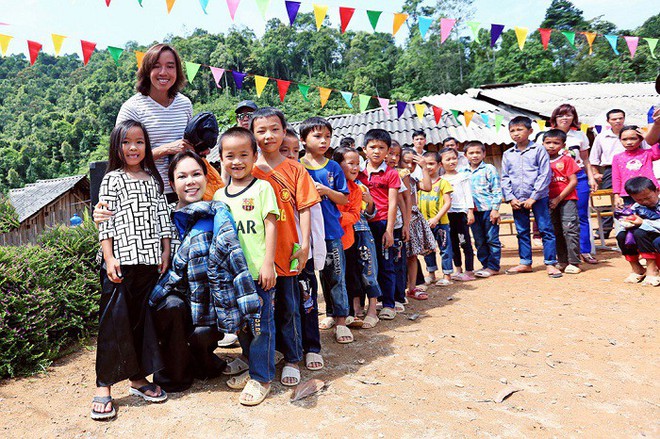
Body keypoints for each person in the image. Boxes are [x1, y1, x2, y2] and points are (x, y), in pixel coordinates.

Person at [150, 151, 261, 392]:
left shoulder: (219, 215)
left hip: (208, 301)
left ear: (205, 177)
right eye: (182, 176)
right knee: (172, 307)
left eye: (196, 174)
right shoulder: (161, 217)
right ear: (172, 183)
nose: (190, 181)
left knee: (203, 331)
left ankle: (202, 358)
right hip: (171, 297)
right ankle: (174, 370)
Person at [92, 120, 171, 420]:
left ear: (146, 146)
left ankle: (138, 379)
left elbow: (163, 218)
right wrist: (109, 258)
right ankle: (104, 386)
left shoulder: (153, 180)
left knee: (140, 323)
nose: (134, 148)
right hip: (120, 264)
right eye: (127, 142)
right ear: (117, 146)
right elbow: (106, 223)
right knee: (113, 323)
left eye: (139, 142)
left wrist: (165, 250)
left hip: (149, 263)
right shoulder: (111, 180)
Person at [250, 107, 321, 387]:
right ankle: (263, 356)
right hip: (257, 253)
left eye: (275, 129)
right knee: (261, 310)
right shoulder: (249, 168)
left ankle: (292, 357)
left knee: (290, 307)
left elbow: (305, 209)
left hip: (289, 251)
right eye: (261, 130)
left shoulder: (295, 169)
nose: (269, 135)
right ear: (253, 134)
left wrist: (303, 246)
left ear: (284, 131)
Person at [213, 127, 278, 406]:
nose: (237, 161)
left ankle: (262, 377)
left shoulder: (263, 188)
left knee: (261, 325)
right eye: (230, 156)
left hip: (257, 273)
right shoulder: (218, 196)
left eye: (243, 155)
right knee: (242, 326)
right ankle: (253, 367)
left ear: (255, 156)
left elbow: (271, 225)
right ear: (221, 158)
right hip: (232, 277)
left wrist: (268, 264)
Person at [116, 43, 193, 203]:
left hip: (183, 194)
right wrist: (165, 149)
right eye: (156, 66)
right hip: (143, 195)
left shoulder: (184, 104)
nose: (163, 72)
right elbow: (121, 156)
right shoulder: (132, 108)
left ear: (177, 71)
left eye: (170, 66)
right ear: (147, 70)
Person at [299, 117, 353, 344]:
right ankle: (318, 318)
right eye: (317, 136)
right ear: (303, 140)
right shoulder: (297, 166)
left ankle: (341, 319)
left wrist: (325, 190)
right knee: (309, 281)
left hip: (331, 231)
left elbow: (343, 199)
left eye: (327, 137)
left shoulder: (334, 167)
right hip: (303, 234)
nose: (324, 141)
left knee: (335, 277)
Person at [279, 128, 326, 372]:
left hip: (302, 252)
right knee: (286, 305)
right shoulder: (265, 177)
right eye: (283, 150)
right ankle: (287, 348)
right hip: (278, 254)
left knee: (307, 302)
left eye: (295, 151)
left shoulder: (302, 176)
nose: (290, 155)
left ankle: (312, 347)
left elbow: (316, 220)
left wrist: (313, 254)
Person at [502, 116, 562, 278]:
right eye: (512, 131)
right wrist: (510, 198)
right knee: (522, 231)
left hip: (538, 198)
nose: (516, 134)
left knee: (545, 230)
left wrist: (534, 197)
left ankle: (550, 263)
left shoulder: (539, 150)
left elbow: (545, 174)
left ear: (530, 131)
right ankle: (525, 262)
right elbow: (505, 177)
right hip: (517, 199)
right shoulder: (508, 154)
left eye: (519, 129)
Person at [333, 147, 382, 329]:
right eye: (351, 163)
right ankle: (350, 312)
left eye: (357, 164)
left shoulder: (358, 187)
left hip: (361, 233)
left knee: (368, 271)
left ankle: (372, 311)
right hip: (342, 236)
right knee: (347, 274)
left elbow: (368, 214)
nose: (356, 168)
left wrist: (369, 201)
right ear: (338, 166)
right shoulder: (332, 188)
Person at [358, 129, 401, 320]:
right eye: (372, 147)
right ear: (364, 150)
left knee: (386, 264)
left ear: (388, 151)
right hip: (362, 225)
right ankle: (369, 304)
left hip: (382, 222)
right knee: (366, 264)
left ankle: (389, 304)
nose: (376, 151)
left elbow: (393, 203)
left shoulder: (391, 174)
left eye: (381, 148)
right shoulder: (358, 172)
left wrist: (390, 230)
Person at [548, 104, 598, 264]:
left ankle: (584, 251)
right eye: (561, 115)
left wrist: (591, 178)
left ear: (573, 118)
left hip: (578, 177)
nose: (564, 118)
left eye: (568, 115)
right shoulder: (544, 135)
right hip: (553, 180)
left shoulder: (579, 135)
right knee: (555, 218)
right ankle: (562, 254)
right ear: (555, 118)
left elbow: (585, 159)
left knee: (581, 215)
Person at [544, 130, 582, 274]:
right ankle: (563, 261)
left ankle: (574, 262)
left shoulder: (566, 160)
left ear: (563, 145)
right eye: (548, 143)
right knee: (556, 231)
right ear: (543, 144)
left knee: (569, 229)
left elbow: (573, 181)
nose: (551, 146)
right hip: (547, 201)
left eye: (556, 143)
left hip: (567, 199)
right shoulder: (541, 161)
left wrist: (558, 198)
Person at [400, 148, 436, 299]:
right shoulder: (395, 178)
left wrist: (424, 168)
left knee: (412, 255)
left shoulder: (413, 180)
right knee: (398, 257)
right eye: (405, 162)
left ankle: (413, 287)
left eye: (412, 163)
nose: (409, 166)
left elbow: (428, 187)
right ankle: (399, 290)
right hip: (399, 220)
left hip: (413, 220)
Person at [464, 141, 502, 278]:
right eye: (471, 153)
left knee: (492, 238)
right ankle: (485, 264)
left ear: (484, 154)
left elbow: (497, 189)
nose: (475, 155)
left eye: (478, 152)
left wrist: (495, 209)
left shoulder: (489, 169)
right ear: (465, 155)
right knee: (479, 240)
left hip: (488, 209)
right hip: (473, 212)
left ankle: (493, 266)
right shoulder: (463, 172)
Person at [589, 109, 627, 238]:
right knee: (606, 200)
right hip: (610, 170)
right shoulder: (602, 137)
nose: (618, 121)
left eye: (620, 118)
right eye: (614, 119)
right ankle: (603, 231)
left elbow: (646, 151)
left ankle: (630, 227)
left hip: (631, 167)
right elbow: (594, 158)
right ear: (608, 121)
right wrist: (595, 173)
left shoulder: (633, 133)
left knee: (632, 197)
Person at [616, 176, 660, 286]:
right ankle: (637, 268)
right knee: (622, 236)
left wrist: (643, 223)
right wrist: (627, 223)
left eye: (648, 197)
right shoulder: (636, 207)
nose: (645, 202)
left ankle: (652, 268)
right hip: (647, 236)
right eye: (639, 200)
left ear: (657, 191)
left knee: (641, 233)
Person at [440, 147, 476, 281]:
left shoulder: (462, 177)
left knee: (465, 242)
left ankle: (469, 270)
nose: (451, 162)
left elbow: (468, 194)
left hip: (461, 213)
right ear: (441, 163)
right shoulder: (441, 179)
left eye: (454, 158)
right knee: (452, 243)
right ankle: (458, 269)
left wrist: (470, 211)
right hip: (447, 214)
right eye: (447, 159)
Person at [418, 151, 454, 286]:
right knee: (427, 249)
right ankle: (431, 274)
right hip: (425, 223)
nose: (428, 167)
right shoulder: (420, 183)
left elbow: (447, 203)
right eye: (425, 164)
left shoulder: (443, 183)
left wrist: (436, 218)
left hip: (441, 223)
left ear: (439, 165)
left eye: (431, 164)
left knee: (444, 248)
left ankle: (447, 275)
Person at [386, 140, 411, 312]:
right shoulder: (367, 171)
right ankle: (385, 297)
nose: (393, 158)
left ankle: (399, 297)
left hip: (396, 224)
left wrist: (406, 225)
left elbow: (404, 200)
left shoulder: (397, 174)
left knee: (397, 261)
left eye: (397, 155)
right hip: (378, 222)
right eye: (391, 154)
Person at [612, 125, 660, 210]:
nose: (629, 142)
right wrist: (616, 195)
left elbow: (657, 153)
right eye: (624, 139)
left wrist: (648, 137)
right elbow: (616, 178)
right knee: (631, 219)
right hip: (628, 194)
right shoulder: (617, 157)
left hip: (647, 192)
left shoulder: (647, 154)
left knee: (653, 216)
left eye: (633, 138)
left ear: (641, 139)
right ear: (620, 140)